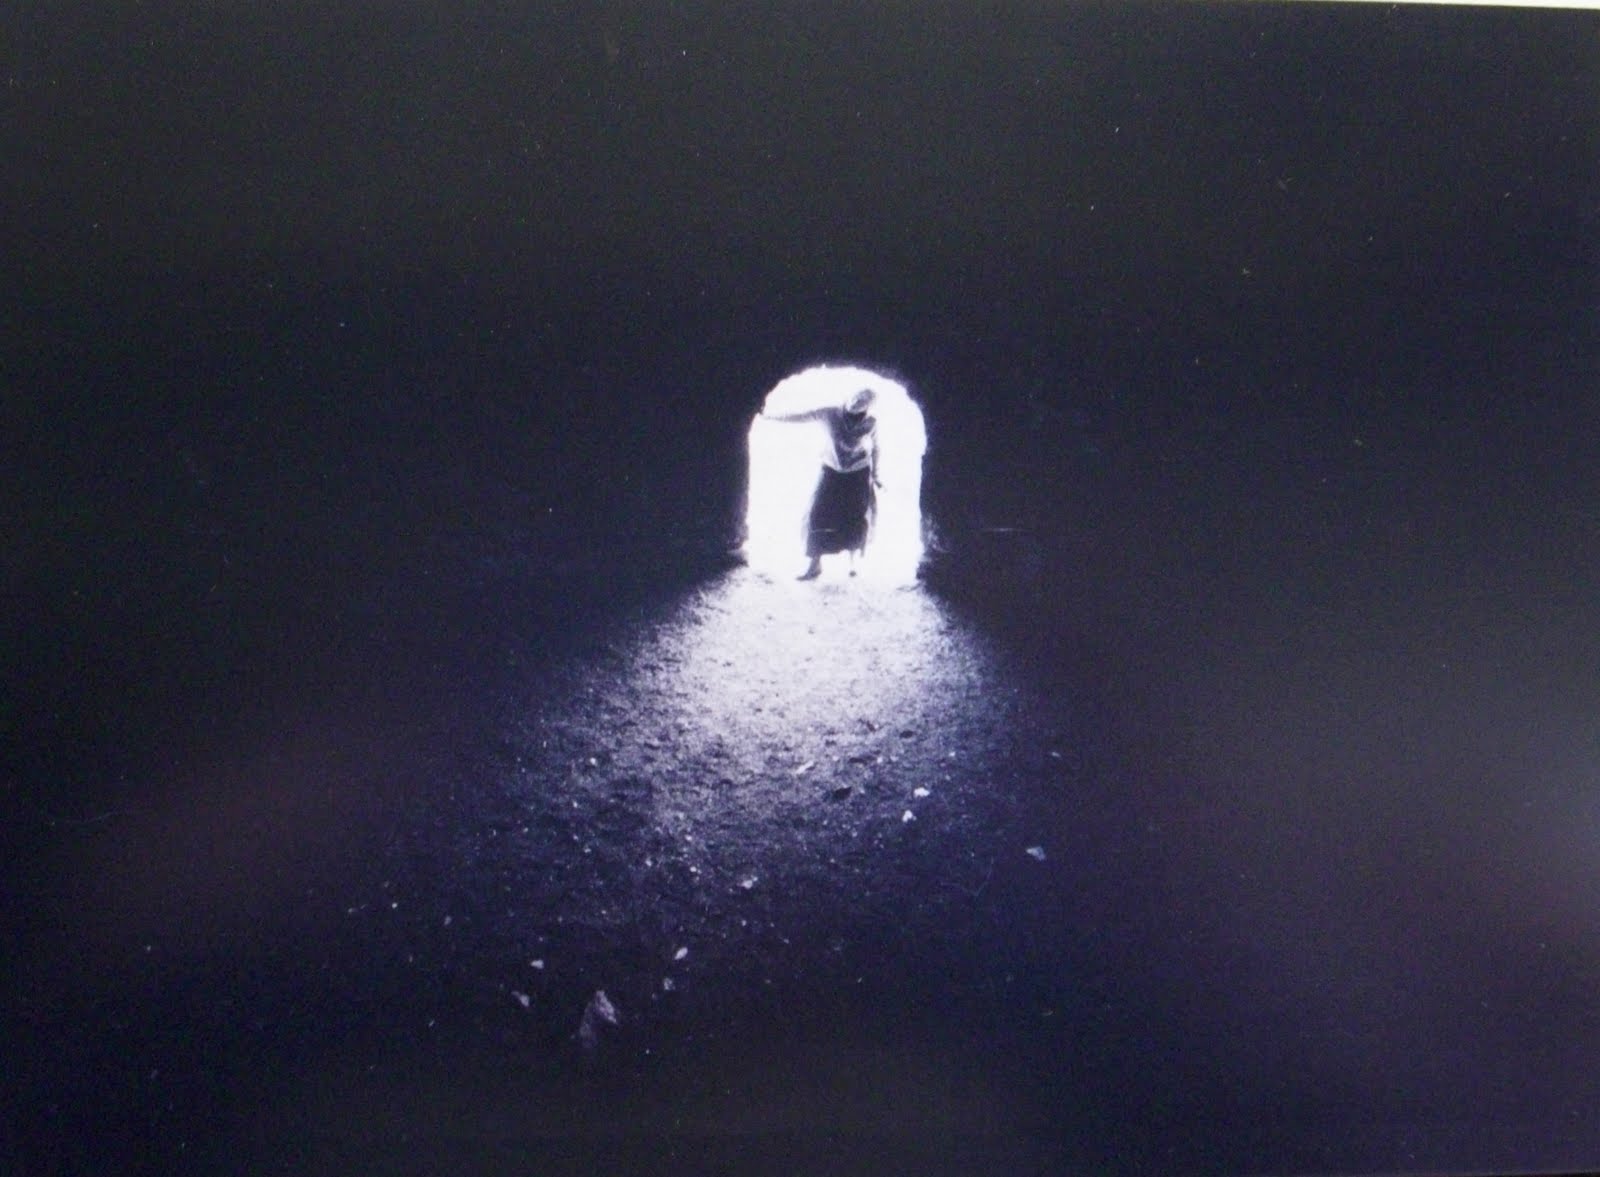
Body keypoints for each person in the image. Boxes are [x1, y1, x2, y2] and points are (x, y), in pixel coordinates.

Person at [760, 387, 880, 579]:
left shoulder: (871, 422)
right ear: (849, 395)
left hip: (858, 473)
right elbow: (801, 416)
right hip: (831, 469)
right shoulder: (830, 413)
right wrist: (769, 416)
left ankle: (853, 562)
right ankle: (814, 565)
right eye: (856, 397)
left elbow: (876, 448)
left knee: (854, 516)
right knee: (817, 514)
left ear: (868, 407)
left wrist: (876, 474)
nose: (856, 402)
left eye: (863, 401)